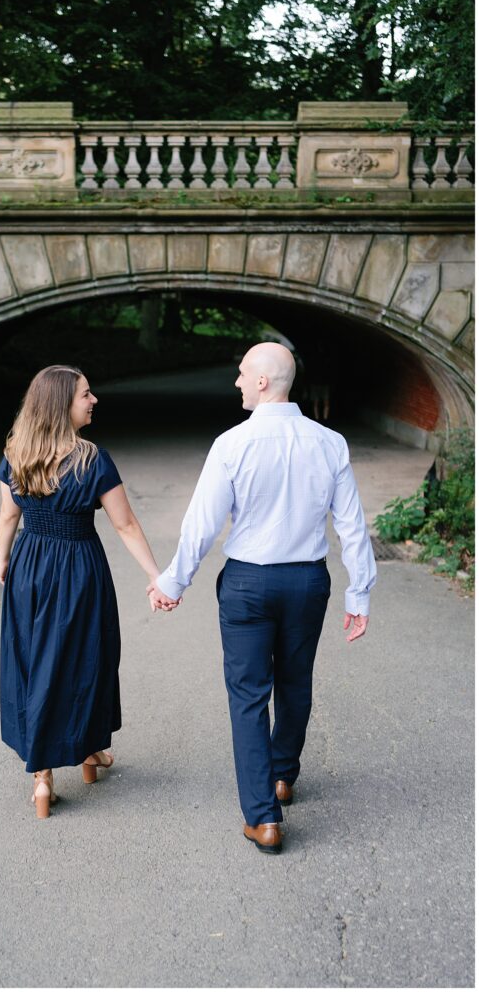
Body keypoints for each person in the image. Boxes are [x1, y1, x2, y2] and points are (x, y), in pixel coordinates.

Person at [148, 343, 376, 854]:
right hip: (306, 582)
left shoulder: (232, 444)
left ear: (265, 383)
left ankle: (263, 818)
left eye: (243, 374)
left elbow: (203, 524)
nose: (236, 382)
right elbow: (351, 527)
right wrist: (358, 592)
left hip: (249, 584)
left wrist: (172, 582)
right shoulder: (330, 443)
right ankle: (281, 776)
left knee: (249, 695)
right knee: (295, 683)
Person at [0, 365, 169, 818]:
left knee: (34, 660)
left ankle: (44, 777)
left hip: (29, 564)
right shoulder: (93, 460)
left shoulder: (17, 453)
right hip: (78, 567)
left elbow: (8, 518)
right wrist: (156, 575)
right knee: (86, 659)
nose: (94, 401)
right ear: (61, 405)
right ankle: (87, 750)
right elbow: (125, 524)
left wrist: (3, 560)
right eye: (85, 395)